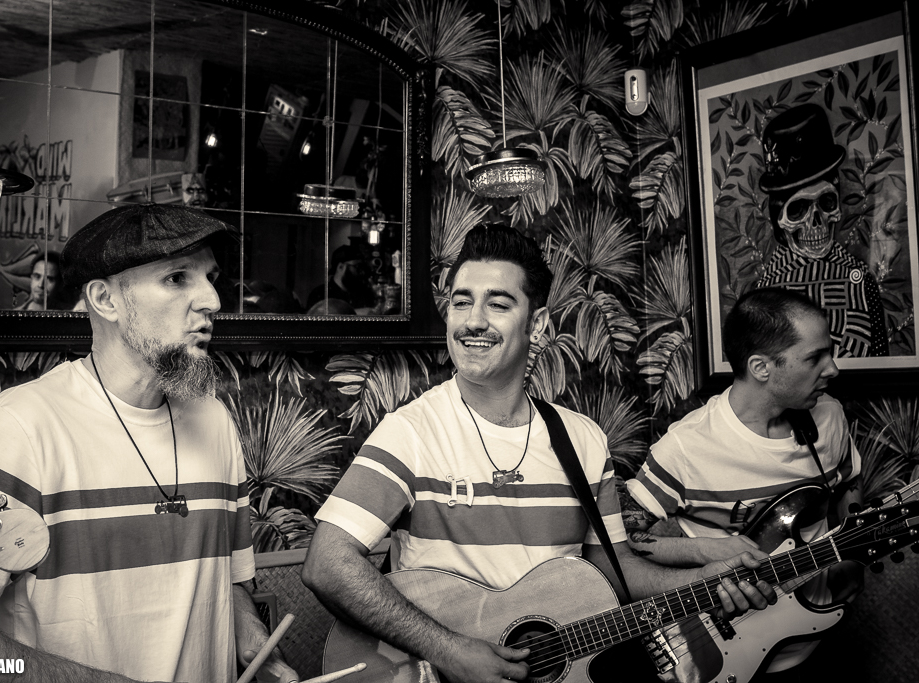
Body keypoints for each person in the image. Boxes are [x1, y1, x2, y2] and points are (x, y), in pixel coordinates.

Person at [302, 224, 776, 683]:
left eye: (498, 304)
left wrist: (705, 579)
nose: (473, 321)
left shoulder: (582, 440)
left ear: (538, 324)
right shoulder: (411, 431)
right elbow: (326, 563)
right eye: (461, 301)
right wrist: (448, 650)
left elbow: (615, 573)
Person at [0, 204, 299, 683]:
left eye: (210, 277)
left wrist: (257, 648)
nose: (213, 301)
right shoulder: (20, 428)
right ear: (105, 299)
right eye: (177, 278)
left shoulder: (214, 419)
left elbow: (229, 582)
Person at [624, 287, 864, 679]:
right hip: (728, 649)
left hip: (818, 633)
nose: (832, 369)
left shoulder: (829, 417)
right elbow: (624, 541)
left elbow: (849, 481)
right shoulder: (686, 446)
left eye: (830, 352)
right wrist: (705, 550)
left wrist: (853, 548)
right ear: (761, 367)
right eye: (814, 357)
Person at [753, 103, 888, 357]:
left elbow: (879, 361)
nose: (816, 222)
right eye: (798, 209)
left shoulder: (860, 279)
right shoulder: (764, 293)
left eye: (826, 202)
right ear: (780, 218)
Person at [305, 244, 375, 313]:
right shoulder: (320, 294)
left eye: (362, 267)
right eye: (357, 267)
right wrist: (355, 313)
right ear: (340, 267)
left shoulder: (364, 293)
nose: (362, 272)